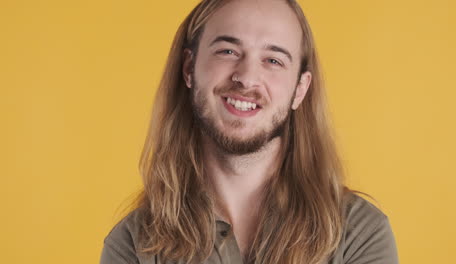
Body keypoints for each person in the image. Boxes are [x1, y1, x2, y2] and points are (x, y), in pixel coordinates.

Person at [100, 0, 399, 263]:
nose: (246, 78)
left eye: (273, 60)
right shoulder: (134, 243)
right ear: (190, 68)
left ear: (300, 89)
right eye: (228, 50)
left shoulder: (359, 235)